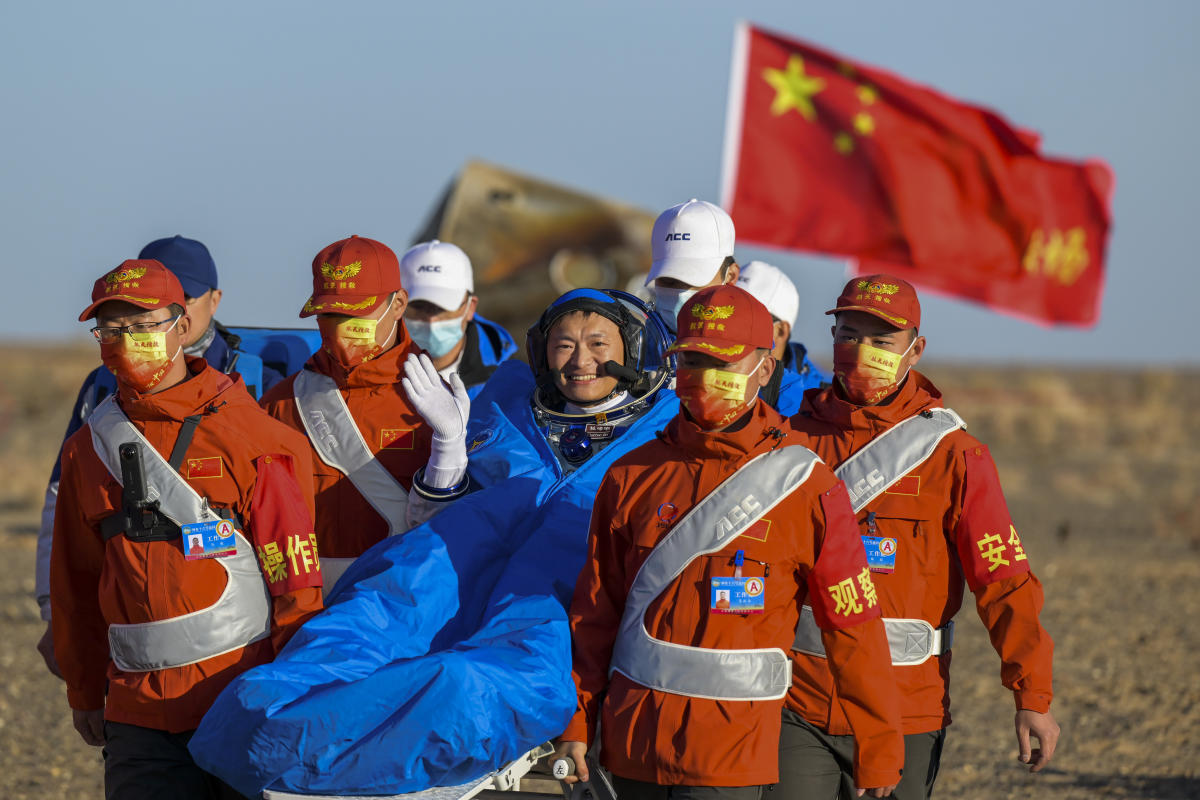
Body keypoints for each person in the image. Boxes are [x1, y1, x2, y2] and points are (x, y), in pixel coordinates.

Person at [188, 289, 681, 797]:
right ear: (540, 351)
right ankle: (288, 742)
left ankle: (326, 760)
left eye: (599, 344)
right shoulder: (509, 403)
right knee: (332, 652)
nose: (580, 360)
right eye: (563, 344)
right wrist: (449, 446)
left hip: (546, 606)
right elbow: (439, 514)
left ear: (638, 350)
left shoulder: (669, 434)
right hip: (435, 577)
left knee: (463, 684)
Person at [556, 285, 903, 800]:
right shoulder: (630, 475)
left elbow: (852, 627)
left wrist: (879, 744)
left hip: (733, 758)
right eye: (691, 359)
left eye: (720, 361)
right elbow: (593, 614)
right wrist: (576, 725)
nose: (702, 377)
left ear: (764, 369)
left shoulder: (807, 486)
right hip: (630, 749)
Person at [51, 259, 323, 799]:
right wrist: (83, 689)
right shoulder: (88, 448)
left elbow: (294, 578)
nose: (128, 341)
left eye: (144, 324)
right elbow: (75, 584)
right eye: (112, 328)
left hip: (242, 704)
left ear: (182, 326)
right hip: (137, 717)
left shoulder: (249, 435)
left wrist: (296, 695)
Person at [779, 275, 1059, 800]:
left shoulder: (955, 456)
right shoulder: (789, 441)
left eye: (881, 342)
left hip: (907, 708)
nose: (861, 352)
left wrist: (1032, 696)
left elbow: (1005, 583)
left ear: (915, 349)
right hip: (797, 705)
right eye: (848, 334)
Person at [34, 234, 295, 679]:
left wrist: (292, 663)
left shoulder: (259, 385)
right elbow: (65, 502)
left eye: (183, 297)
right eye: (120, 323)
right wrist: (51, 607)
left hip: (240, 654)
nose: (135, 333)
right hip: (136, 664)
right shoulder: (101, 390)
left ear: (210, 301)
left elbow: (287, 527)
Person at [257, 235, 440, 593]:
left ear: (399, 303)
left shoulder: (436, 403)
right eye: (330, 314)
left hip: (400, 608)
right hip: (303, 613)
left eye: (356, 312)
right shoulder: (278, 404)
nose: (341, 327)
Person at [399, 239, 517, 397]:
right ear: (397, 306)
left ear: (470, 307)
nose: (431, 321)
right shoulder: (367, 372)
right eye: (418, 306)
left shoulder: (511, 381)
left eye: (443, 308)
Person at [735, 260, 829, 414]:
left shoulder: (820, 401)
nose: (729, 323)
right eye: (726, 310)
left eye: (746, 317)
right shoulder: (692, 368)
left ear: (780, 331)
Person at [646, 199, 741, 335]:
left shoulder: (750, 353)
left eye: (693, 280)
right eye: (668, 280)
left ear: (730, 276)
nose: (679, 294)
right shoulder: (635, 347)